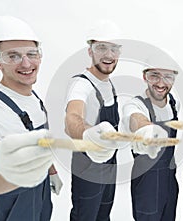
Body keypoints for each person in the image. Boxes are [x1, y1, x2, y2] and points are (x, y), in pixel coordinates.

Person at [0, 15, 62, 221]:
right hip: (9, 200)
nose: (26, 63)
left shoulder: (34, 97)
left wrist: (51, 171)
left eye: (32, 53)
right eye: (13, 56)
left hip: (40, 191)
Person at [64, 19, 123, 221]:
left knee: (103, 215)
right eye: (101, 48)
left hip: (110, 164)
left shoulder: (109, 84)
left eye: (114, 49)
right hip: (88, 168)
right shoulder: (80, 85)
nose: (108, 55)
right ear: (90, 51)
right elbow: (72, 117)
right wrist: (88, 134)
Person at [121, 66, 180, 221]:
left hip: (170, 179)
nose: (161, 83)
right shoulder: (135, 105)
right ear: (144, 77)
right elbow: (136, 118)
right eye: (154, 76)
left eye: (168, 76)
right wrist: (147, 130)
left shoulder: (173, 103)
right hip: (147, 183)